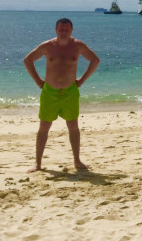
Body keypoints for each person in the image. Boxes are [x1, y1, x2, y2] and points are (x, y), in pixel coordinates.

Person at [23, 18, 100, 172]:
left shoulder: (78, 46)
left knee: (73, 126)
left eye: (66, 29)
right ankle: (38, 164)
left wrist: (81, 81)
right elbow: (28, 60)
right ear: (56, 30)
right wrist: (38, 81)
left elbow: (95, 60)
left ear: (71, 30)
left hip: (70, 92)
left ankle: (77, 161)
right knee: (44, 127)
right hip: (49, 92)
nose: (63, 32)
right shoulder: (47, 46)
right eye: (61, 29)